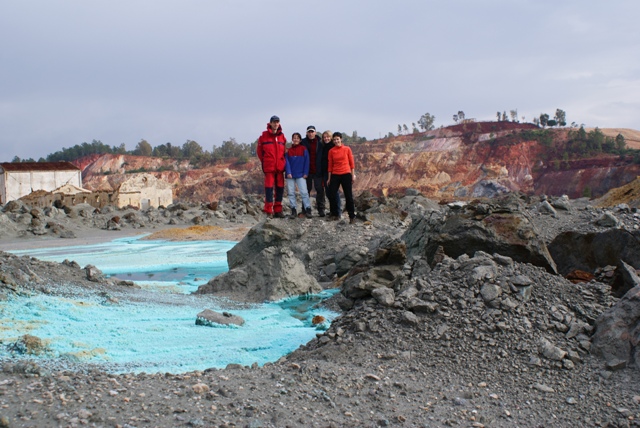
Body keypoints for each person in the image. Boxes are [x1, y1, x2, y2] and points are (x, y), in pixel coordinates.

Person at [257, 115, 286, 218]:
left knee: (280, 189)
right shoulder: (263, 136)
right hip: (269, 168)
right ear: (270, 123)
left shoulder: (282, 137)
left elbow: (284, 152)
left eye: (277, 122)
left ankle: (278, 210)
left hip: (279, 169)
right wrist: (266, 162)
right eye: (274, 122)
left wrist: (282, 163)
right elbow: (260, 152)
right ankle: (268, 211)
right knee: (269, 189)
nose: (276, 124)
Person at [327, 132, 356, 224]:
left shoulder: (347, 149)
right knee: (331, 194)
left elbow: (352, 163)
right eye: (334, 139)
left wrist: (353, 175)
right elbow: (330, 165)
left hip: (346, 173)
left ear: (341, 139)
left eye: (337, 139)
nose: (336, 141)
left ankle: (352, 216)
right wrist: (329, 178)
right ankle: (335, 214)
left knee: (348, 195)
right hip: (335, 174)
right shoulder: (331, 151)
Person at [285, 132, 312, 219]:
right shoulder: (288, 151)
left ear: (300, 140)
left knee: (304, 192)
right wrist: (288, 172)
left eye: (297, 138)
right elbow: (286, 162)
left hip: (301, 175)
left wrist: (305, 173)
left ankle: (308, 209)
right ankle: (293, 210)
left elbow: (307, 162)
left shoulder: (304, 149)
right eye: (294, 138)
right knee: (291, 193)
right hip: (290, 175)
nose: (296, 139)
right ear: (292, 139)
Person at [300, 125, 325, 216]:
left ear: (315, 132)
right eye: (309, 132)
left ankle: (321, 209)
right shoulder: (303, 142)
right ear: (307, 133)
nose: (311, 133)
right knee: (306, 191)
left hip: (318, 170)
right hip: (307, 171)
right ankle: (306, 209)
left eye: (312, 131)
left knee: (320, 190)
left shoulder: (320, 142)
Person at [319, 130, 341, 218]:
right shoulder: (324, 147)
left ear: (331, 137)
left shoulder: (333, 147)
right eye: (324, 137)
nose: (326, 138)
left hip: (333, 172)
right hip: (325, 172)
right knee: (328, 193)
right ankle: (332, 211)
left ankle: (337, 212)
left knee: (334, 193)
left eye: (328, 137)